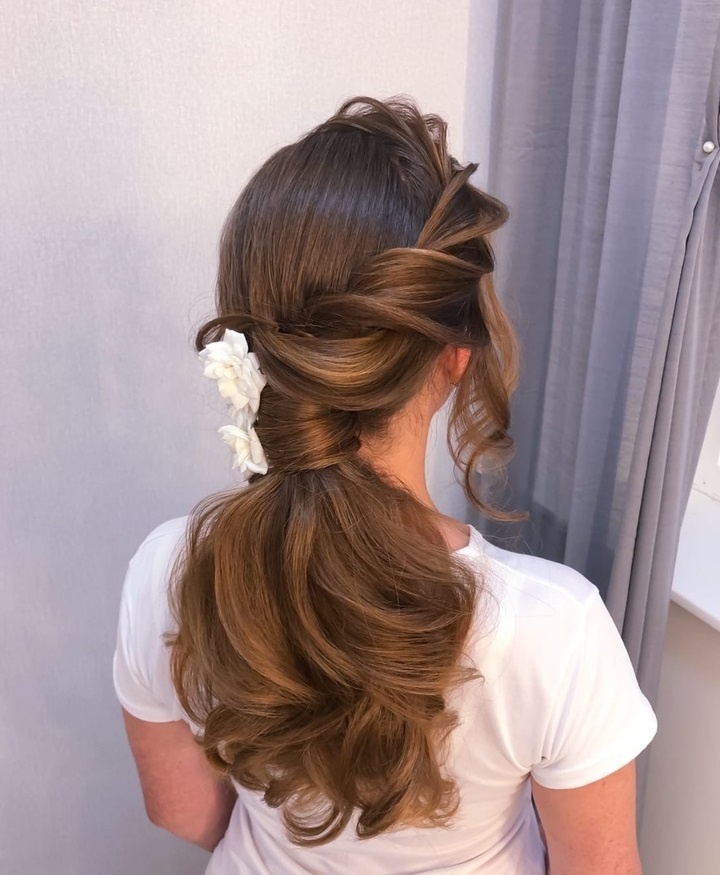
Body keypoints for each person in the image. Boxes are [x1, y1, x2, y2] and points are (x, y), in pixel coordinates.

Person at [113, 96, 657, 874]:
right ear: (455, 355)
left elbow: (179, 807)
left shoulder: (169, 569)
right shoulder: (552, 628)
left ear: (253, 345)